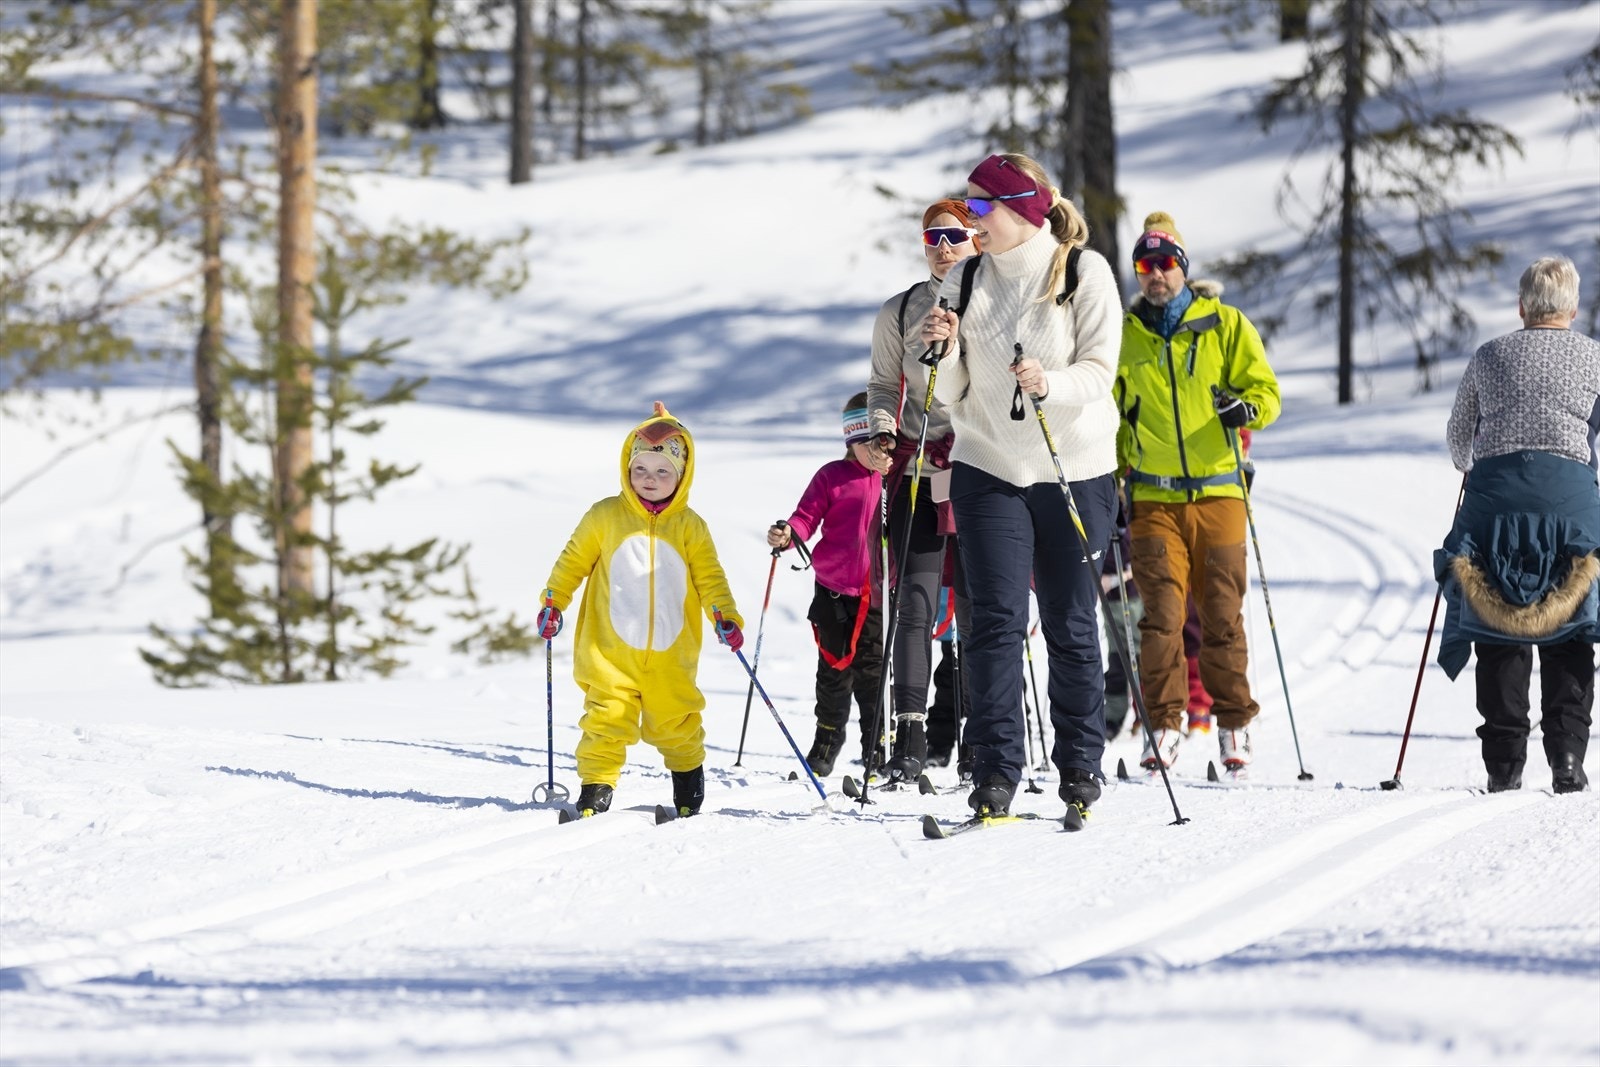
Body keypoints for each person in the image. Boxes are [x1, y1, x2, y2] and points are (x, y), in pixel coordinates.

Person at [920, 153, 1122, 820]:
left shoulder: (1083, 273)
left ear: (1021, 210)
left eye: (980, 207)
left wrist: (1048, 384)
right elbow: (950, 396)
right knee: (996, 623)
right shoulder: (967, 277)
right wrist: (944, 352)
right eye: (968, 206)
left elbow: (1099, 371)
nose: (970, 218)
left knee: (1069, 620)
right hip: (989, 466)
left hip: (1074, 466)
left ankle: (1079, 766)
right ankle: (996, 770)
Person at [1114, 211, 1281, 776]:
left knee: (1221, 615)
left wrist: (1247, 408)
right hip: (1154, 497)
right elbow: (1110, 413)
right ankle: (1163, 726)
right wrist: (1113, 476)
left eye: (1164, 263)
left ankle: (1234, 723)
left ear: (1182, 268)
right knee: (1159, 617)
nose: (1154, 274)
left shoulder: (1225, 324)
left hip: (1218, 492)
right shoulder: (1124, 337)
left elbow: (1265, 391)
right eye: (1144, 264)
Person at [1436, 255, 1600, 794]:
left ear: (1522, 306)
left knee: (1500, 632)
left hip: (1495, 508)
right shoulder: (1595, 359)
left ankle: (1504, 766)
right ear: (1573, 309)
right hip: (1570, 508)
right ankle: (1568, 758)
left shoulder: (1489, 356)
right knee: (1569, 631)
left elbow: (1460, 439)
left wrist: (1475, 461)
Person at [538, 402, 744, 818]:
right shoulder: (605, 516)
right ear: (626, 469)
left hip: (671, 653)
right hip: (608, 650)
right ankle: (596, 787)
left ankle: (688, 785)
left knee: (675, 721)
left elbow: (710, 579)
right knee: (605, 719)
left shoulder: (691, 526)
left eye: (662, 472)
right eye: (640, 470)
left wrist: (725, 617)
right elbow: (572, 561)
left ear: (682, 476)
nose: (649, 480)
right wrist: (553, 602)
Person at [864, 198, 980, 783]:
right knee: (914, 603)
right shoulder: (901, 309)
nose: (943, 245)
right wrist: (883, 429)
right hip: (914, 471)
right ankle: (908, 735)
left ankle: (977, 730)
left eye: (955, 235)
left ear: (977, 241)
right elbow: (884, 385)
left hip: (981, 471)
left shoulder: (994, 301)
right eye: (933, 235)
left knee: (984, 606)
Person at [766, 393, 885, 777]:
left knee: (873, 670)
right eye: (871, 444)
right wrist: (788, 534)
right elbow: (806, 517)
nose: (880, 452)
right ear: (852, 442)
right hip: (833, 589)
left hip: (876, 592)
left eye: (885, 443)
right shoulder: (832, 476)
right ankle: (827, 738)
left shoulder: (894, 479)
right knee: (833, 670)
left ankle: (876, 745)